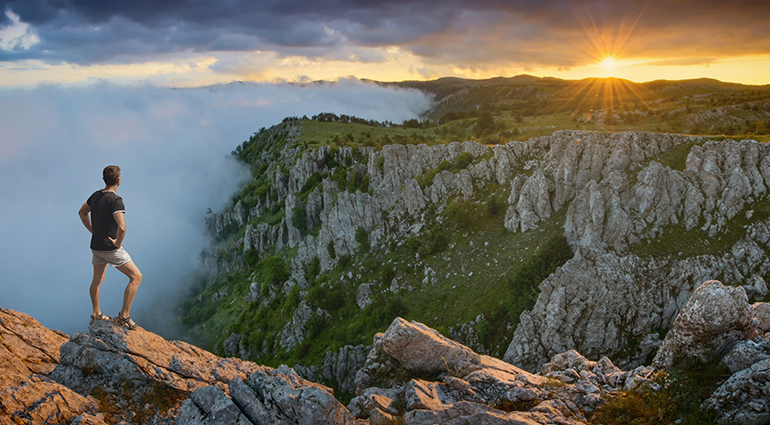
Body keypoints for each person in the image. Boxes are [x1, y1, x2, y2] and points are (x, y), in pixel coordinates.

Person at [78, 165, 143, 330]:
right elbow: (122, 227)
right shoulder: (116, 200)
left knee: (97, 280)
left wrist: (93, 230)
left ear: (103, 179)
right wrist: (118, 243)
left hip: (96, 245)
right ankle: (124, 316)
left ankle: (97, 314)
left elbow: (82, 212)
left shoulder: (95, 196)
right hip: (110, 248)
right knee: (136, 277)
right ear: (119, 180)